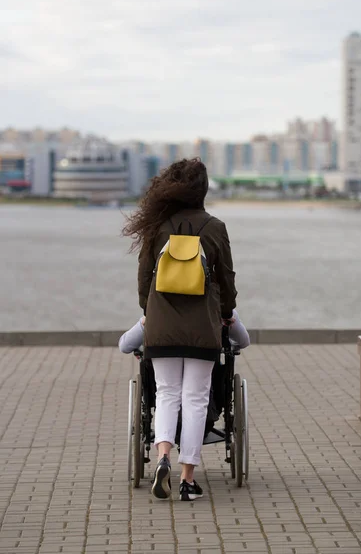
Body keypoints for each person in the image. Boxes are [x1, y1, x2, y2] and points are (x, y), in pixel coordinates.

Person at [122, 158, 238, 501]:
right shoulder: (215, 227)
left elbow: (144, 278)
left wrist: (149, 310)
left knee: (167, 394)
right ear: (203, 189)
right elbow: (226, 279)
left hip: (162, 323)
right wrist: (226, 313)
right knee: (196, 398)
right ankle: (188, 480)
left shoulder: (157, 226)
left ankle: (162, 458)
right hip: (203, 325)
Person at [118, 309, 250, 355]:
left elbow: (124, 346)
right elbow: (244, 341)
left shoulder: (157, 313)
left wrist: (144, 322)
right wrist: (229, 344)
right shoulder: (223, 313)